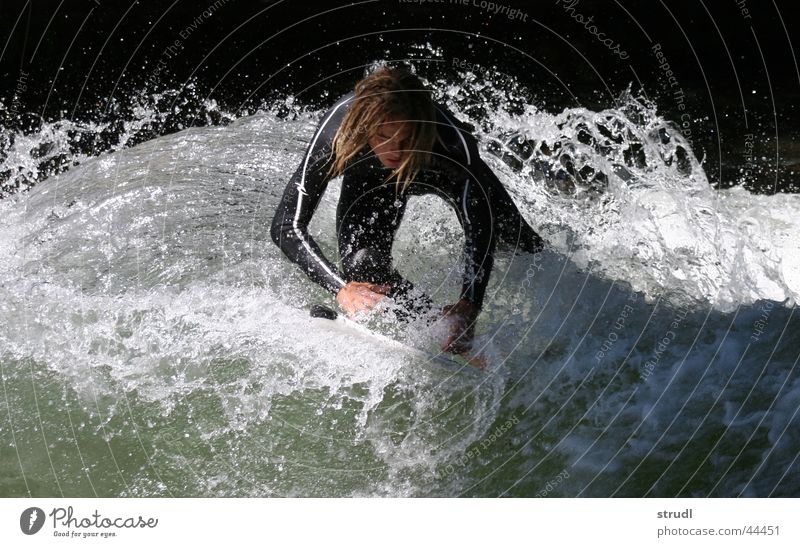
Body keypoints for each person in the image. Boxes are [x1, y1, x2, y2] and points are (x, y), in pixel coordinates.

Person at [271, 65, 543, 358]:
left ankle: (531, 322)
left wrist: (469, 304)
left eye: (406, 138)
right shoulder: (337, 133)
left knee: (523, 246)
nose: (396, 151)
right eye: (385, 136)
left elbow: (479, 226)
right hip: (370, 184)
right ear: (366, 126)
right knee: (363, 269)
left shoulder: (451, 143)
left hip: (437, 172)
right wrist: (341, 288)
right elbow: (286, 226)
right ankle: (440, 326)